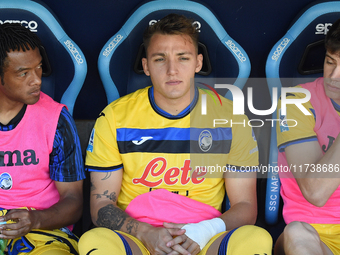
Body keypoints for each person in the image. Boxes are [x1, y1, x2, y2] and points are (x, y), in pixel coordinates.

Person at [79, 13, 272, 255]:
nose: (172, 70)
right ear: (146, 65)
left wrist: (203, 232)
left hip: (205, 238)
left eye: (183, 58)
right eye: (160, 59)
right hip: (138, 238)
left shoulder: (231, 118)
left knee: (256, 239)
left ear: (198, 63)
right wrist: (145, 233)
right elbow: (101, 206)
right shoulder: (115, 117)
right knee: (94, 241)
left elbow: (245, 206)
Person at [0, 23, 85, 254]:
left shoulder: (56, 119)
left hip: (43, 232)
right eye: (23, 73)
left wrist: (35, 219)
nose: (37, 80)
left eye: (38, 68)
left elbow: (74, 201)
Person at [274, 18, 340, 255]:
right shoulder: (296, 101)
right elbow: (315, 193)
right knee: (297, 234)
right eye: (329, 62)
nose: (334, 76)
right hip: (314, 234)